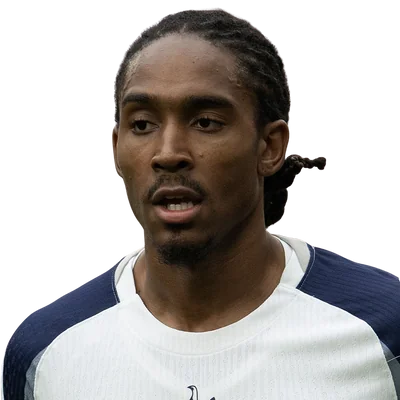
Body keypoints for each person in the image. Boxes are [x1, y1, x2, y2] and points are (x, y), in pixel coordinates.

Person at [1, 8, 398, 400]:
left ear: (270, 146)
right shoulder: (46, 352)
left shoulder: (384, 330)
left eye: (205, 122)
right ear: (118, 150)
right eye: (142, 124)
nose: (168, 153)